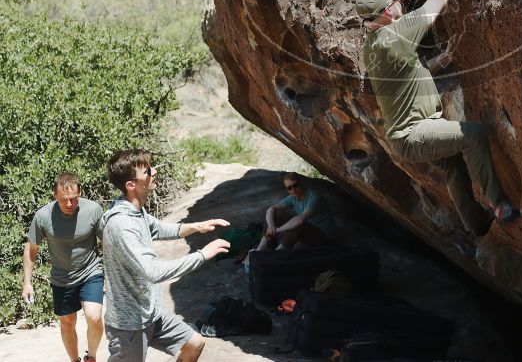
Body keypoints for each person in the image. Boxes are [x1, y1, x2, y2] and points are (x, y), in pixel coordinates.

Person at [358, 0, 520, 237]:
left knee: (452, 165)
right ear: (388, 10)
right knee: (472, 134)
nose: (401, 1)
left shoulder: (373, 44)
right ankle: (499, 204)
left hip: (407, 137)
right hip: (414, 134)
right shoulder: (397, 32)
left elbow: (405, 75)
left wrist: (438, 62)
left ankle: (475, 223)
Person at [100, 149, 231, 362]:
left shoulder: (135, 210)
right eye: (148, 171)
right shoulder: (121, 224)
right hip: (129, 323)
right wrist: (202, 255)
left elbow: (158, 228)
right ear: (131, 185)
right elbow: (153, 271)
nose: (155, 172)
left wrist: (198, 226)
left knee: (194, 343)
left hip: (150, 312)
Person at [22, 172, 104, 362]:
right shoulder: (43, 216)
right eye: (64, 200)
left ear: (80, 193)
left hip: (90, 271)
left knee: (94, 317)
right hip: (62, 278)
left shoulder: (93, 210)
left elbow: (108, 241)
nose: (69, 204)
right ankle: (74, 360)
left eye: (74, 199)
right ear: (54, 195)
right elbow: (31, 249)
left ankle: (91, 358)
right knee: (67, 322)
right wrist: (27, 282)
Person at [255, 172, 335, 251]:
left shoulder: (314, 197)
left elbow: (299, 220)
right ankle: (260, 250)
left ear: (301, 183)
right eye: (289, 188)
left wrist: (277, 230)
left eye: (295, 185)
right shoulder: (293, 197)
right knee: (274, 214)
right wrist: (271, 225)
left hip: (322, 236)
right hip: (308, 229)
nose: (293, 190)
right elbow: (271, 209)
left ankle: (277, 253)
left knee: (298, 224)